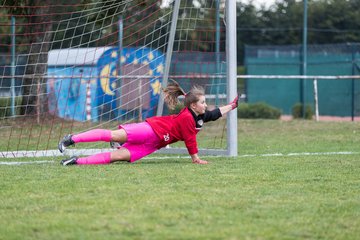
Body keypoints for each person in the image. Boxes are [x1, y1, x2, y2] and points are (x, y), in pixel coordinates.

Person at [59, 80, 238, 166]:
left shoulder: (199, 115)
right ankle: (72, 139)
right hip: (150, 130)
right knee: (113, 135)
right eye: (203, 103)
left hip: (154, 143)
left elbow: (215, 113)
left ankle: (76, 161)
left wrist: (231, 106)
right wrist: (196, 159)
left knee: (118, 157)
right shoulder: (186, 118)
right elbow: (190, 140)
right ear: (193, 105)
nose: (206, 105)